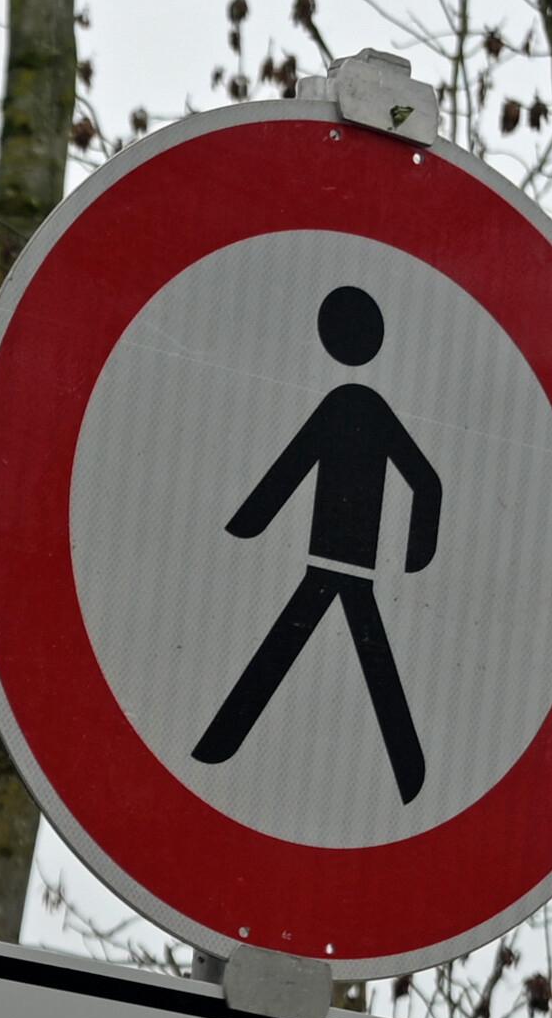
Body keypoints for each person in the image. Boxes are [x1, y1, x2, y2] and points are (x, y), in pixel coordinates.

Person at [189, 284, 448, 801]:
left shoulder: (352, 407)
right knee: (348, 652)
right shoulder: (358, 407)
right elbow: (423, 481)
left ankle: (219, 745)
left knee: (307, 647)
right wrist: (417, 550)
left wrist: (250, 522)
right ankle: (410, 770)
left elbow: (295, 468)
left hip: (340, 558)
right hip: (342, 560)